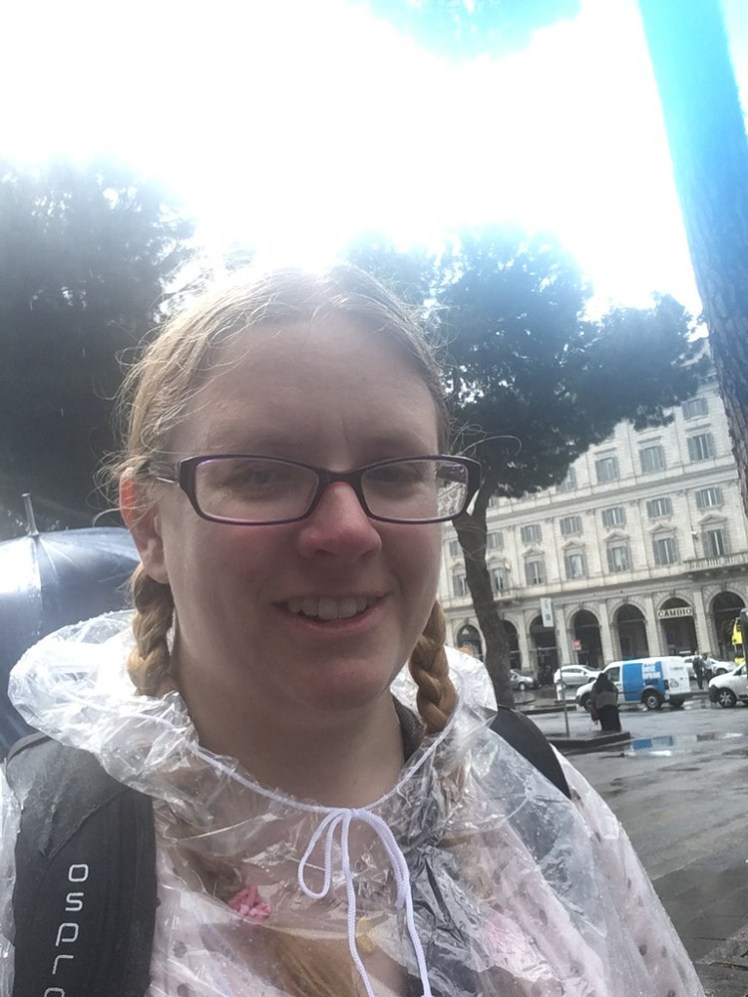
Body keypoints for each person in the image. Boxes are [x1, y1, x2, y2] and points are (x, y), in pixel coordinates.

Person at [0, 264, 705, 996]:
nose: (346, 529)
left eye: (396, 470)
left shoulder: (543, 802)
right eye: (262, 473)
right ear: (149, 525)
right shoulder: (34, 859)